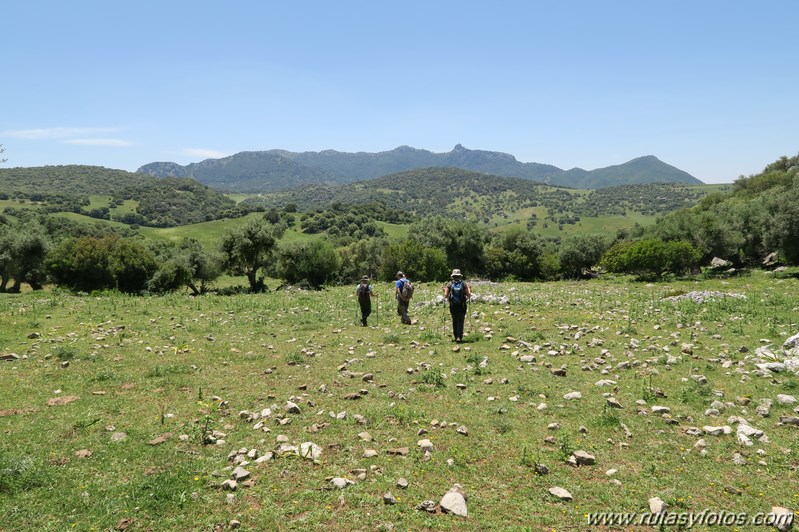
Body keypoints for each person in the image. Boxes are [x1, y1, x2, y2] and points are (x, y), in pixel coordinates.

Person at [443, 269, 471, 342]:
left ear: (453, 276)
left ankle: (456, 336)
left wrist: (444, 290)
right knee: (460, 320)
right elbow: (468, 295)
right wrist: (470, 290)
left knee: (454, 320)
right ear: (460, 276)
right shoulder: (464, 284)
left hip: (453, 306)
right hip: (462, 305)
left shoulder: (449, 284)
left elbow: (445, 295)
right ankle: (459, 337)